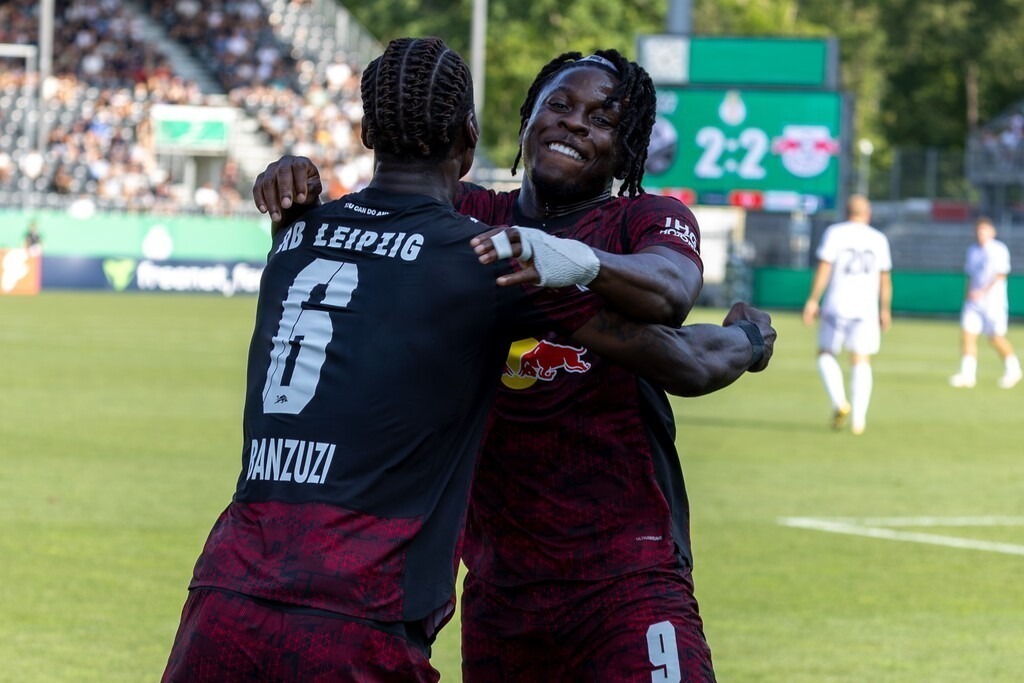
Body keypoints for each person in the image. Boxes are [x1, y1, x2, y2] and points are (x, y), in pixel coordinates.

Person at [169, 38, 775, 682]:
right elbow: (384, 210)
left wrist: (586, 265)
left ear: (627, 149)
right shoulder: (474, 226)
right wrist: (293, 187)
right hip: (498, 586)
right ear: (520, 121)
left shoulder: (645, 217)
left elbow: (673, 295)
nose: (573, 121)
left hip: (625, 572)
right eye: (559, 104)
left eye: (602, 119)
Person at [802, 194, 893, 435]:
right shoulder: (879, 238)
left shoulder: (835, 233)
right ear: (868, 214)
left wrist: (813, 300)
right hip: (866, 307)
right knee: (861, 359)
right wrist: (885, 309)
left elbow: (824, 268)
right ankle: (859, 420)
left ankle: (839, 402)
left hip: (837, 304)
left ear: (846, 211)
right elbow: (885, 279)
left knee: (825, 353)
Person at [949, 216, 1021, 389]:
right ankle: (968, 374)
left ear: (992, 232)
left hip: (993, 302)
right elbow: (971, 275)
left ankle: (1013, 368)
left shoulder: (998, 249)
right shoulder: (973, 250)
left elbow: (1000, 274)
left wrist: (982, 291)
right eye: (979, 231)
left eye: (984, 230)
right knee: (968, 334)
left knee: (995, 337)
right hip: (974, 302)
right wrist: (968, 294)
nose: (981, 234)